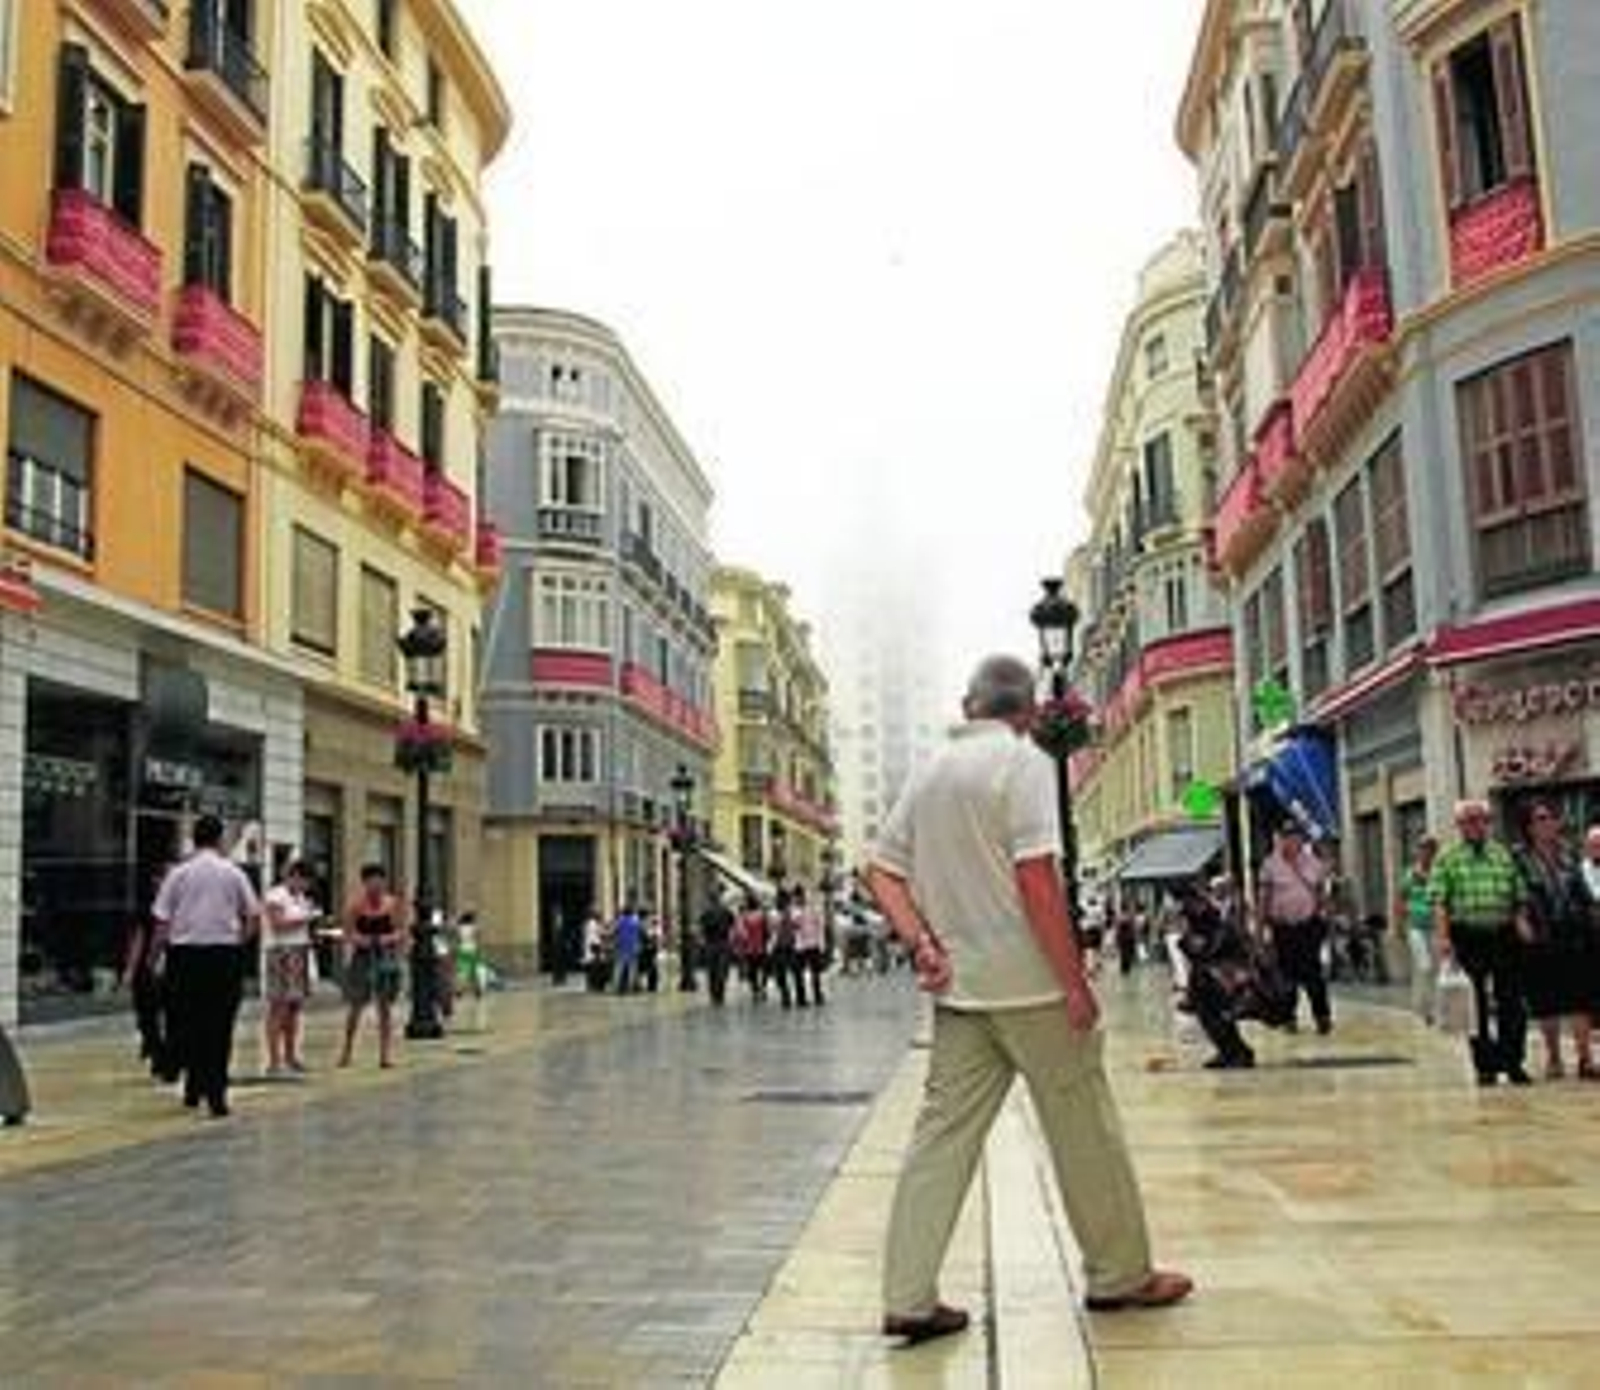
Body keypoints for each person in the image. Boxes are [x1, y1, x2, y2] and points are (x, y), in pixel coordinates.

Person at [866, 654, 1190, 1343]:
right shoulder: (1024, 764)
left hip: (961, 991)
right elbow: (1038, 881)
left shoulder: (929, 772)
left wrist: (921, 942)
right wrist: (1074, 982)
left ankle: (908, 1294)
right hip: (1033, 987)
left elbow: (881, 871)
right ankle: (1119, 1273)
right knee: (1084, 1128)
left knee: (939, 1139)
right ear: (1031, 711)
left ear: (969, 704)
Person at [152, 814, 262, 1118]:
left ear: (194, 839)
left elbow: (161, 921)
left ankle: (192, 1086)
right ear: (220, 838)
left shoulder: (178, 873)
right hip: (223, 955)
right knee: (220, 1024)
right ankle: (216, 1094)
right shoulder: (233, 873)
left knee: (186, 1021)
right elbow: (253, 916)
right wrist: (239, 942)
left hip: (184, 955)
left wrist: (155, 957)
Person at [1430, 799, 1530, 1086]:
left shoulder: (1502, 854)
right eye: (1469, 820)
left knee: (1512, 1001)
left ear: (1489, 823)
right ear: (1459, 825)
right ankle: (1485, 1065)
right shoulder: (1447, 857)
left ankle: (1513, 1061)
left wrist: (1521, 920)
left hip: (1503, 933)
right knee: (1476, 1006)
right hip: (1467, 935)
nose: (1476, 825)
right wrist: (1443, 937)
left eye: (1481, 819)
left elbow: (1519, 894)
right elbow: (1439, 901)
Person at [1513, 801, 1597, 1080]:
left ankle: (1586, 1059)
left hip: (1573, 933)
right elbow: (1516, 893)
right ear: (1529, 826)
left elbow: (1582, 890)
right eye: (1541, 818)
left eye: (1550, 817)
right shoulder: (1520, 858)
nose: (1549, 823)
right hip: (1541, 934)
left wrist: (1592, 913)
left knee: (1580, 997)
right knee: (1547, 998)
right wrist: (1521, 920)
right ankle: (1554, 1058)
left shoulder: (1567, 854)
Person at [1255, 822, 1332, 1035]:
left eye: (1295, 836)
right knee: (1286, 976)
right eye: (1286, 836)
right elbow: (1263, 899)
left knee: (1313, 973)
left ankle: (1322, 1016)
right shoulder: (1270, 865)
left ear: (1301, 839)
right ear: (1281, 839)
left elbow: (1321, 894)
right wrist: (1259, 932)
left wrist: (1326, 917)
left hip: (1309, 927)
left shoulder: (1314, 863)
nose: (1291, 841)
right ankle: (1288, 1017)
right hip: (1283, 928)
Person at [337, 864, 408, 1069]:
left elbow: (401, 931)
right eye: (371, 881)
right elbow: (348, 933)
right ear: (364, 883)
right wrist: (361, 940)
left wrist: (388, 939)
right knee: (356, 1005)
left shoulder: (392, 904)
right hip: (362, 957)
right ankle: (346, 1050)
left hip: (386, 957)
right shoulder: (355, 905)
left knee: (384, 1007)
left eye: (379, 881)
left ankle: (385, 1054)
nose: (376, 886)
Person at [262, 859, 317, 1075]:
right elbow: (277, 924)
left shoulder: (301, 898)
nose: (305, 886)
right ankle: (274, 1060)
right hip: (281, 952)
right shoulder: (276, 895)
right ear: (293, 876)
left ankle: (291, 1056)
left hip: (299, 950)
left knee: (294, 1007)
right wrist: (306, 918)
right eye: (303, 881)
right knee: (278, 1006)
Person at [123, 866, 174, 1080]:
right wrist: (131, 968)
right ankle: (156, 1051)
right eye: (162, 878)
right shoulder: (147, 909)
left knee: (170, 1015)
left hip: (173, 964)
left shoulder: (180, 905)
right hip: (149, 966)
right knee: (147, 1015)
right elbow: (139, 939)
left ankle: (165, 1057)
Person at [1396, 835, 1440, 1023]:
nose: (1425, 853)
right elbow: (1400, 899)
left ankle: (1433, 1006)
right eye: (1423, 849)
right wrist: (1399, 924)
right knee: (1424, 965)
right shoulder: (1409, 874)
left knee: (1435, 967)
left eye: (1430, 849)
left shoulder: (1438, 873)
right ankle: (1425, 1009)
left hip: (1435, 926)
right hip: (1415, 926)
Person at [792, 885, 828, 1007]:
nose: (798, 899)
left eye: (799, 896)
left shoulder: (813, 909)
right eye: (796, 897)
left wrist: (822, 944)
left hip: (812, 944)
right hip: (800, 946)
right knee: (799, 973)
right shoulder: (793, 911)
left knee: (815, 973)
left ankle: (817, 996)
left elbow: (820, 926)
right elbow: (793, 928)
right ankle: (801, 998)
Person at [699, 894, 737, 1005]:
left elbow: (702, 928)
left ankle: (714, 994)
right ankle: (720, 993)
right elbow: (732, 925)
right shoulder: (726, 912)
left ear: (710, 901)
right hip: (723, 943)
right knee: (722, 970)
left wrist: (703, 940)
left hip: (710, 944)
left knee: (712, 971)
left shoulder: (706, 913)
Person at [735, 894, 769, 1001]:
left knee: (752, 970)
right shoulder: (762, 915)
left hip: (750, 947)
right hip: (761, 946)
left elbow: (741, 932)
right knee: (763, 969)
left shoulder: (744, 916)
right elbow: (767, 930)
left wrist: (744, 942)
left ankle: (756, 989)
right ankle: (762, 987)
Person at [612, 902, 643, 995]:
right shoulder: (635, 921)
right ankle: (632, 987)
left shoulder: (620, 921)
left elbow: (615, 931)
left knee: (620, 968)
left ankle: (618, 986)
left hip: (622, 947)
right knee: (632, 968)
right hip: (633, 947)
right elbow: (640, 932)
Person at [581, 906, 610, 992]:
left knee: (592, 969)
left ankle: (592, 985)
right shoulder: (593, 924)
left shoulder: (590, 924)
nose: (599, 915)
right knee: (595, 969)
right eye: (597, 913)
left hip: (593, 948)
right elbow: (600, 934)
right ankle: (595, 985)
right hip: (594, 948)